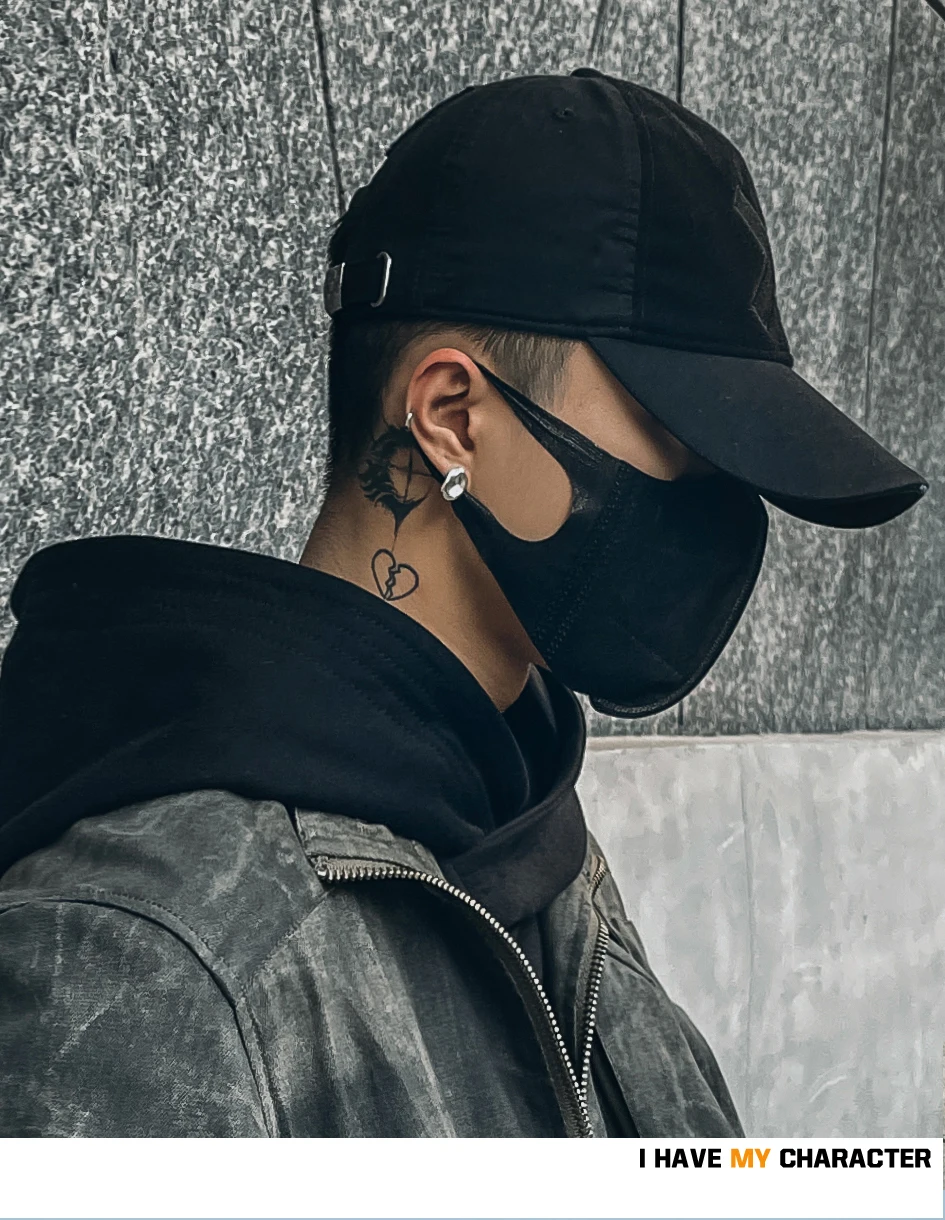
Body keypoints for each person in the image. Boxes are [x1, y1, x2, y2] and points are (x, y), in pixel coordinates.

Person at [0, 69, 927, 1137]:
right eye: (683, 439)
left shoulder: (526, 839)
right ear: (450, 416)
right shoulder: (153, 961)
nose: (716, 509)